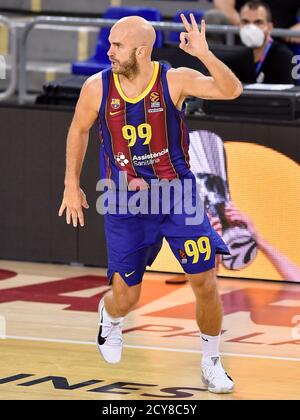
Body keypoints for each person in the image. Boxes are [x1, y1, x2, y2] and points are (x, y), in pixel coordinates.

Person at [58, 14, 243, 394]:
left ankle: (211, 361)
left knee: (205, 281)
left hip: (178, 196)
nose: (108, 51)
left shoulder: (173, 80)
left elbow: (232, 90)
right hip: (126, 200)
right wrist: (70, 185)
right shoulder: (97, 87)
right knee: (127, 298)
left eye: (117, 46)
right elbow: (78, 129)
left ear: (141, 51)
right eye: (109, 43)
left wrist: (206, 55)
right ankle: (110, 317)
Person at [239, 1, 295, 84]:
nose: (251, 28)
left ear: (269, 27)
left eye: (258, 22)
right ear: (239, 25)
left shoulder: (284, 58)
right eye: (245, 22)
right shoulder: (237, 56)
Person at [213, 0, 300, 44]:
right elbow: (223, 4)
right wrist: (249, 30)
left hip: (279, 41)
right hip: (238, 38)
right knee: (213, 17)